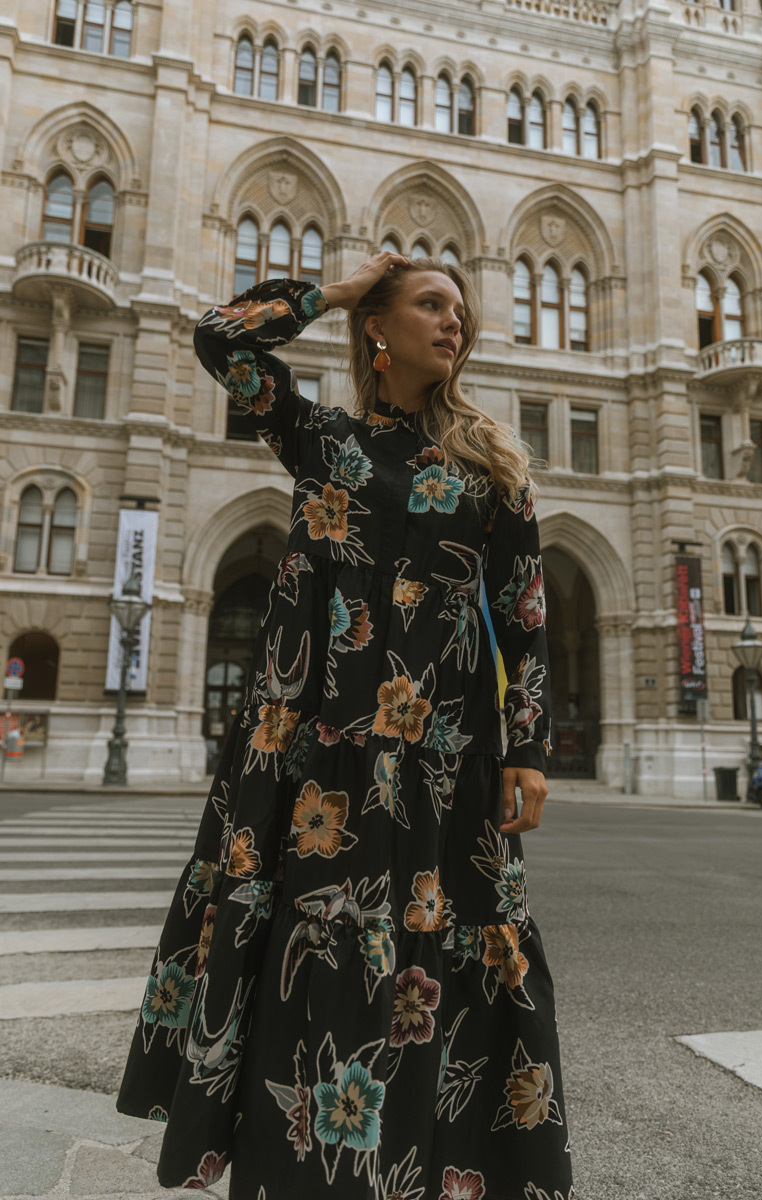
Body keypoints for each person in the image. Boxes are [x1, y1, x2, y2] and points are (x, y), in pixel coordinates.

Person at [116, 251, 573, 1200]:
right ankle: (312, 1171)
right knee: (320, 957)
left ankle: (432, 1166)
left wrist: (528, 750)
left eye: (462, 310)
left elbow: (525, 616)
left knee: (435, 962)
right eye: (431, 304)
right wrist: (332, 289)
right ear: (378, 326)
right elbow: (216, 336)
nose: (456, 322)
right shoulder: (322, 439)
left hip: (444, 759)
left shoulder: (493, 460)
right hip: (318, 759)